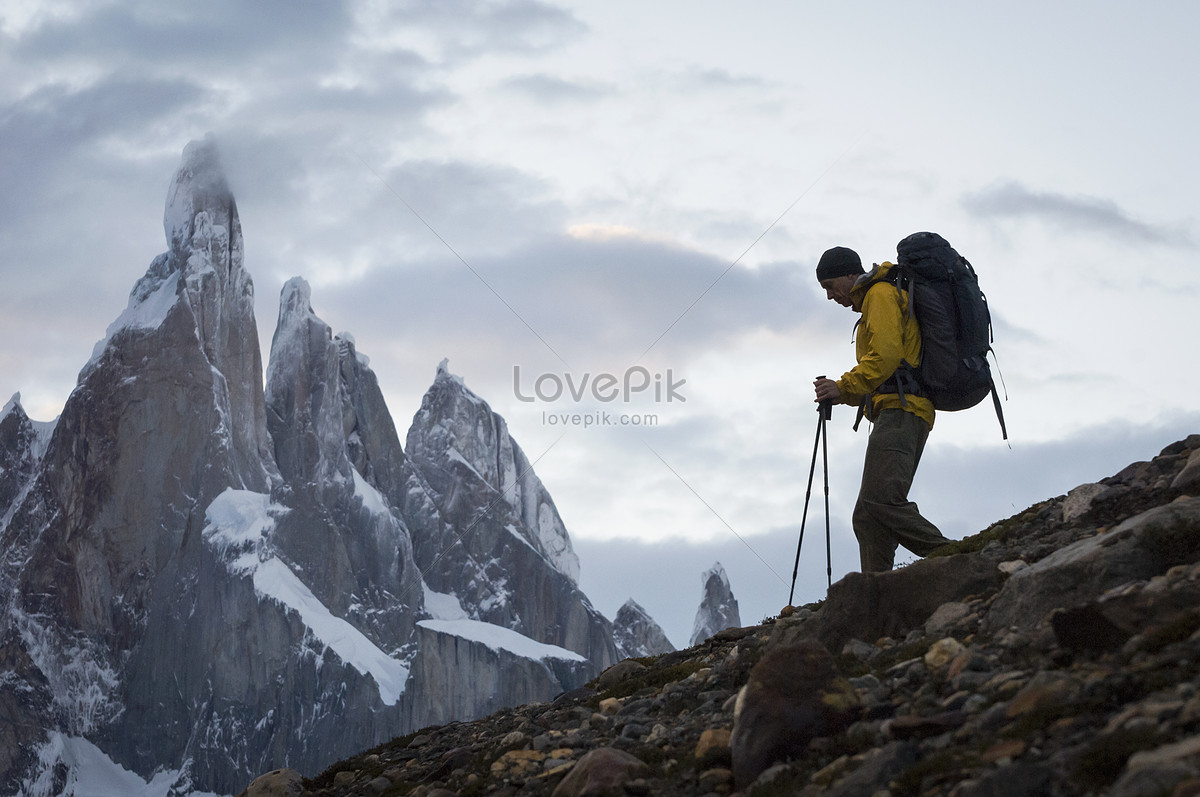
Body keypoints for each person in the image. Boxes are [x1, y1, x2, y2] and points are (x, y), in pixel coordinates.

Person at [812, 245, 950, 573]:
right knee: (867, 516)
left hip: (903, 410)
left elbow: (887, 356)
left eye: (831, 286)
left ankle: (959, 556)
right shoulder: (878, 297)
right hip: (898, 408)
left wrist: (842, 386)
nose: (831, 296)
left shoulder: (880, 294)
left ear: (850, 274)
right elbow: (887, 368)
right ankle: (877, 592)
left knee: (880, 501)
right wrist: (843, 394)